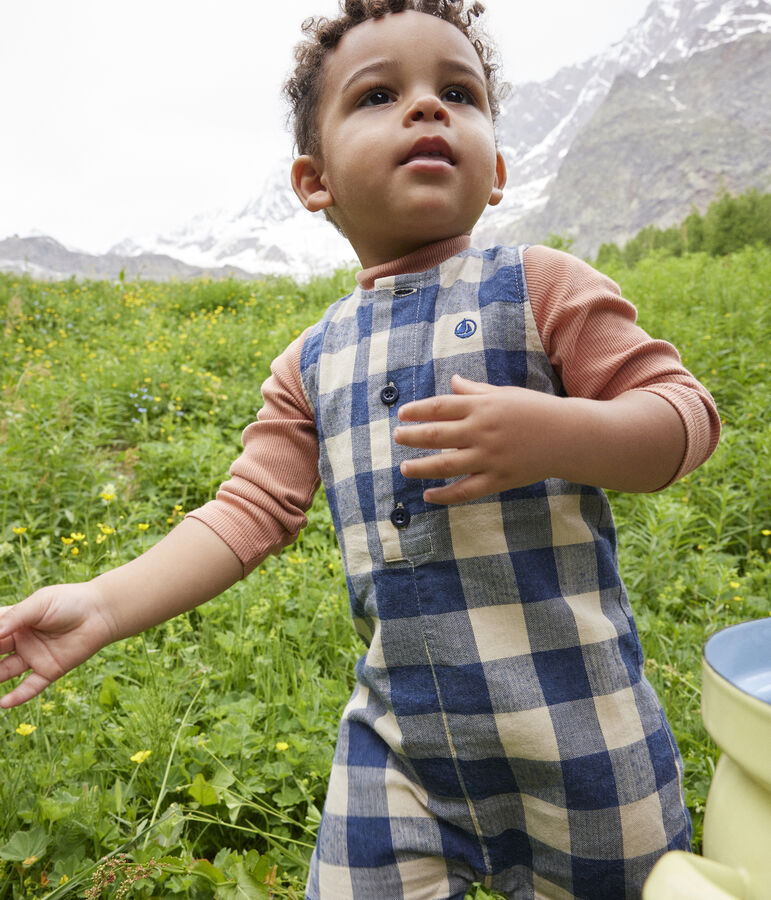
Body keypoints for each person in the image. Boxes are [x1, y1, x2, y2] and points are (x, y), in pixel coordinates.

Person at [0, 2, 721, 898]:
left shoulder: (542, 286)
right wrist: (103, 607)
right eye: (379, 95)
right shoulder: (310, 360)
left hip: (582, 733)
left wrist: (558, 434)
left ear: (493, 170)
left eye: (456, 92)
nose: (427, 109)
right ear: (314, 180)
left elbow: (682, 416)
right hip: (399, 746)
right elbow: (245, 513)